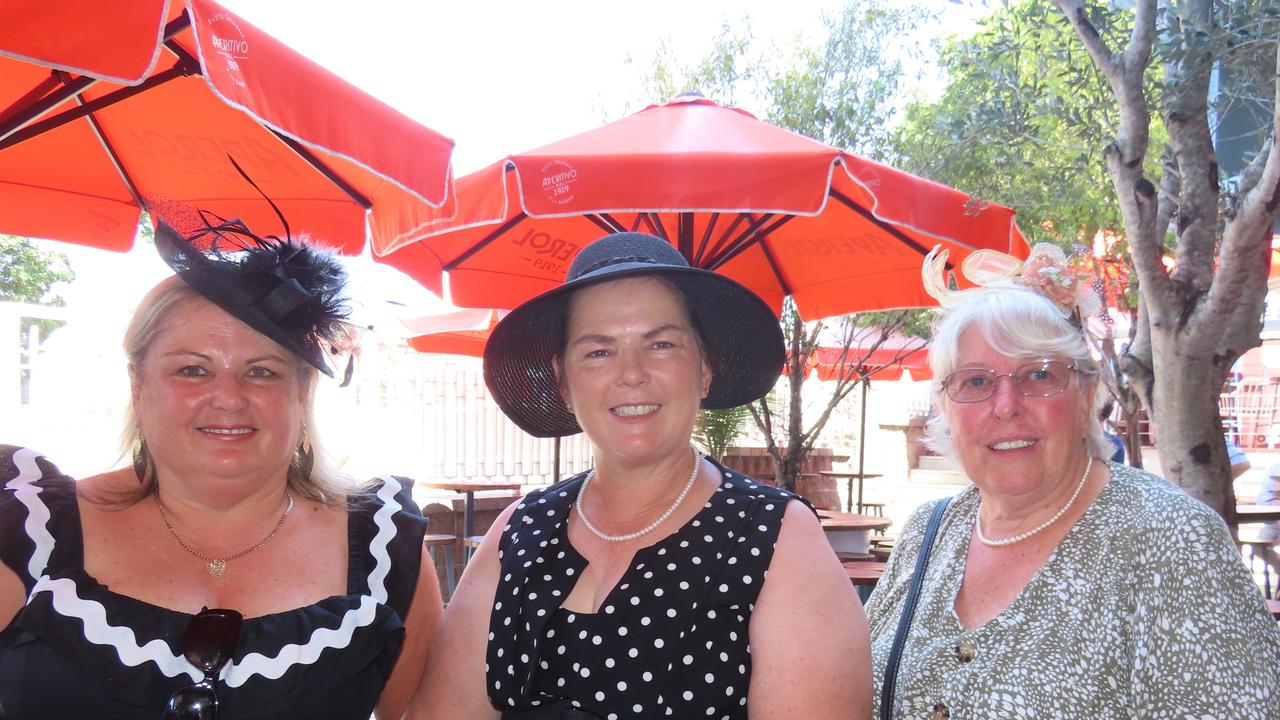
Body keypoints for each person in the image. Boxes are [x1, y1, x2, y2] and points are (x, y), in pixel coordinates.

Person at [406, 232, 870, 719]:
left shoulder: (776, 537)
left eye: (662, 344)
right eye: (599, 351)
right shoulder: (520, 531)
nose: (632, 373)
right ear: (564, 382)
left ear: (705, 369)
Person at [0, 214, 441, 719]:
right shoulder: (29, 530)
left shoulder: (385, 547)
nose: (229, 398)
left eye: (261, 372)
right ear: (138, 388)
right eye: (193, 369)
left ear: (300, 395)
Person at [866, 244, 1280, 718]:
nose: (1006, 405)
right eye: (976, 382)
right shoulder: (927, 532)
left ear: (1086, 397)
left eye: (1039, 375)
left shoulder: (1172, 537)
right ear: (945, 407)